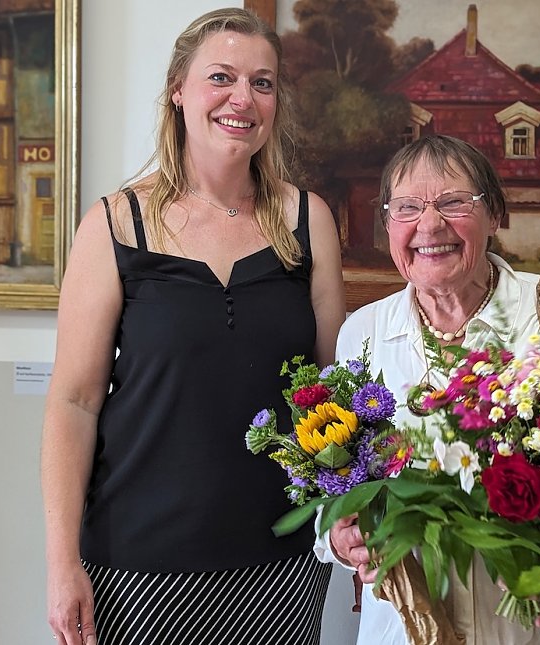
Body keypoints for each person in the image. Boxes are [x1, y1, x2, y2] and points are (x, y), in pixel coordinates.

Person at [41, 8, 346, 645]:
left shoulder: (307, 220)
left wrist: (357, 522)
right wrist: (61, 563)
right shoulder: (115, 224)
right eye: (222, 77)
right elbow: (73, 403)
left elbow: (334, 398)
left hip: (281, 562)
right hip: (136, 565)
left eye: (263, 83)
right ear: (179, 89)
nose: (243, 98)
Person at [314, 134, 540, 644]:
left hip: (534, 627)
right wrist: (341, 538)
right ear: (388, 225)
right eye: (407, 207)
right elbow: (337, 486)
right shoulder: (362, 333)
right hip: (407, 627)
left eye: (455, 202)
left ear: (494, 214)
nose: (429, 225)